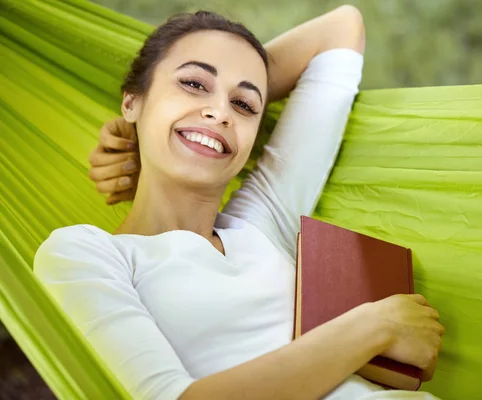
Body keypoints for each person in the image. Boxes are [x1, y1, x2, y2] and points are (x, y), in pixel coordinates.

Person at [34, 6, 445, 400]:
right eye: (193, 83)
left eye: (245, 104)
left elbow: (340, 30)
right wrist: (375, 327)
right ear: (131, 100)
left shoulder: (263, 221)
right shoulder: (85, 253)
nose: (220, 112)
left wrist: (160, 119)